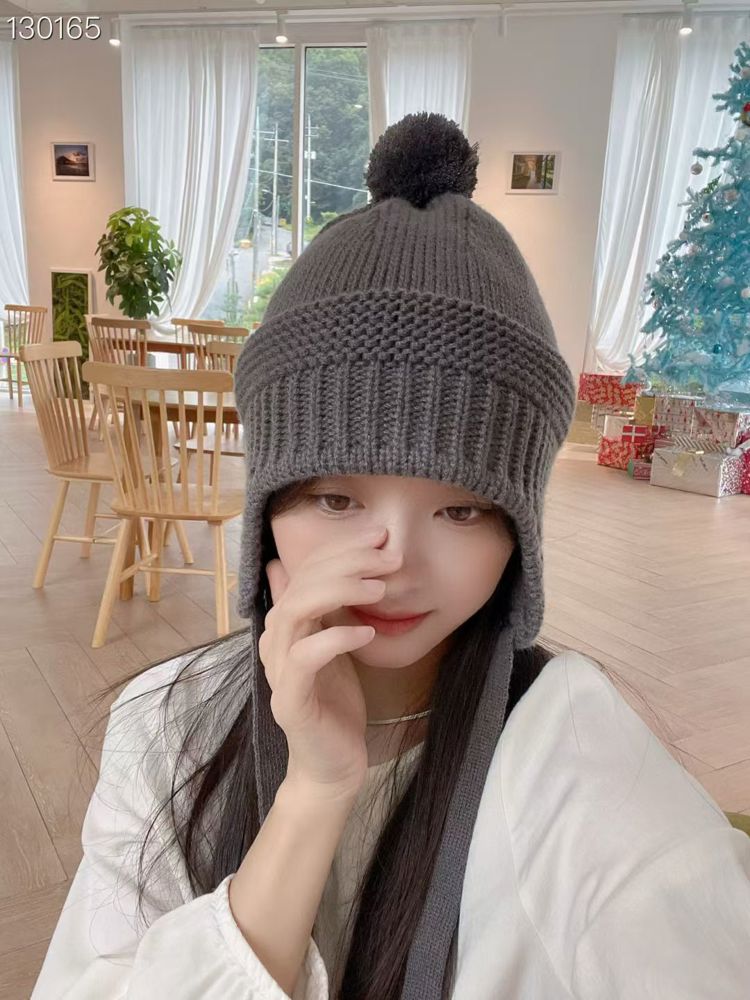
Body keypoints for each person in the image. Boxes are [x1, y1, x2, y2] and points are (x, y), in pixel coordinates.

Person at [32, 112, 750, 1000]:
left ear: (518, 532)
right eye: (336, 500)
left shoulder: (576, 749)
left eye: (462, 508)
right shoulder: (167, 727)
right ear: (268, 508)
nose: (397, 562)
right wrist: (313, 793)